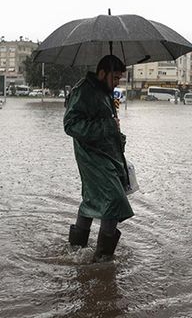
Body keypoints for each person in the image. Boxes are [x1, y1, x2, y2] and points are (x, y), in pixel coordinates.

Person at [63, 55, 133, 262]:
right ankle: (103, 259)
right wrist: (109, 126)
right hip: (92, 157)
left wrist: (117, 134)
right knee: (114, 200)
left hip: (107, 155)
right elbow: (71, 125)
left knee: (92, 199)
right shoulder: (84, 90)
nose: (117, 82)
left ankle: (76, 249)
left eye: (120, 78)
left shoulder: (105, 91)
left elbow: (106, 122)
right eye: (115, 77)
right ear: (102, 73)